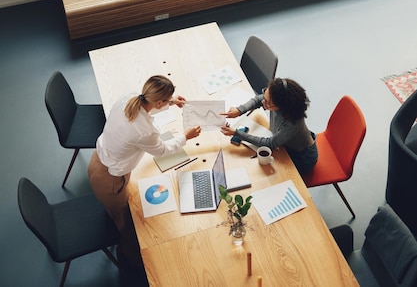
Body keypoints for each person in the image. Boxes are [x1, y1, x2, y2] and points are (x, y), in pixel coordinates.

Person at [88, 74, 201, 281]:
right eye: (167, 100)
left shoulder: (129, 97)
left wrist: (172, 101)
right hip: (111, 181)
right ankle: (134, 267)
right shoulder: (145, 131)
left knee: (123, 213)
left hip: (98, 161)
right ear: (159, 102)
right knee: (129, 227)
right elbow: (163, 150)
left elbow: (151, 103)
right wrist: (186, 136)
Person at [220, 77, 318, 175]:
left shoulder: (292, 124)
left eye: (267, 102)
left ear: (282, 106)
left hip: (301, 158)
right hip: (284, 143)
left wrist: (236, 133)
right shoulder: (275, 98)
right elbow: (259, 99)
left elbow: (269, 143)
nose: (263, 102)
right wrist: (239, 110)